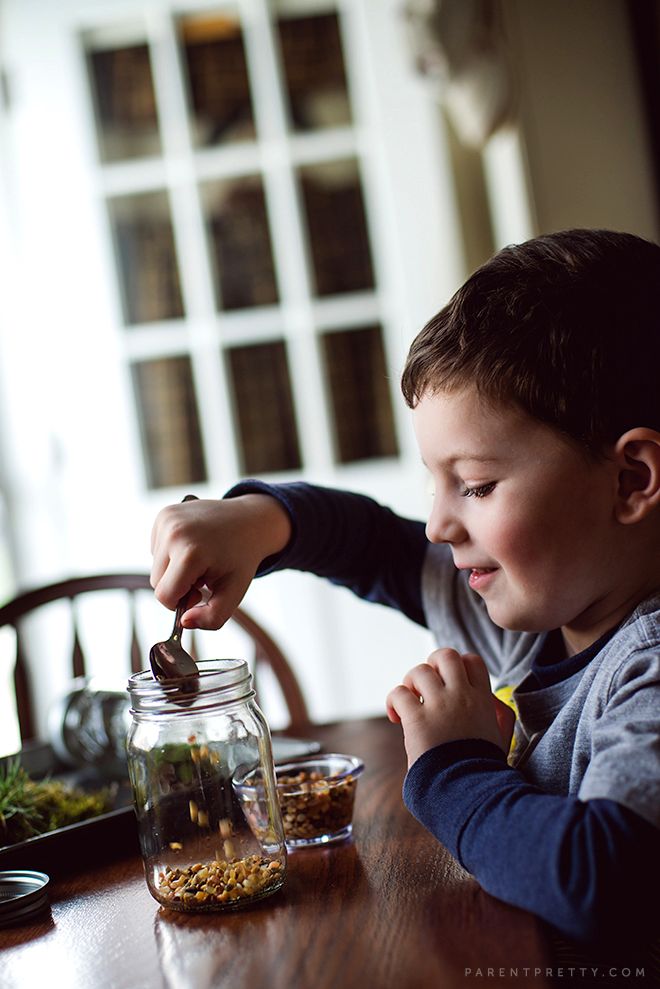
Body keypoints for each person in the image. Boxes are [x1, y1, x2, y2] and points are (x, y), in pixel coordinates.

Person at [150, 229, 660, 948]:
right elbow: (374, 546)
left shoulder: (648, 667)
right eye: (436, 481)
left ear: (631, 479)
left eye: (476, 484)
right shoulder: (529, 615)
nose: (437, 522)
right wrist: (256, 521)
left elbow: (600, 877)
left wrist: (453, 766)